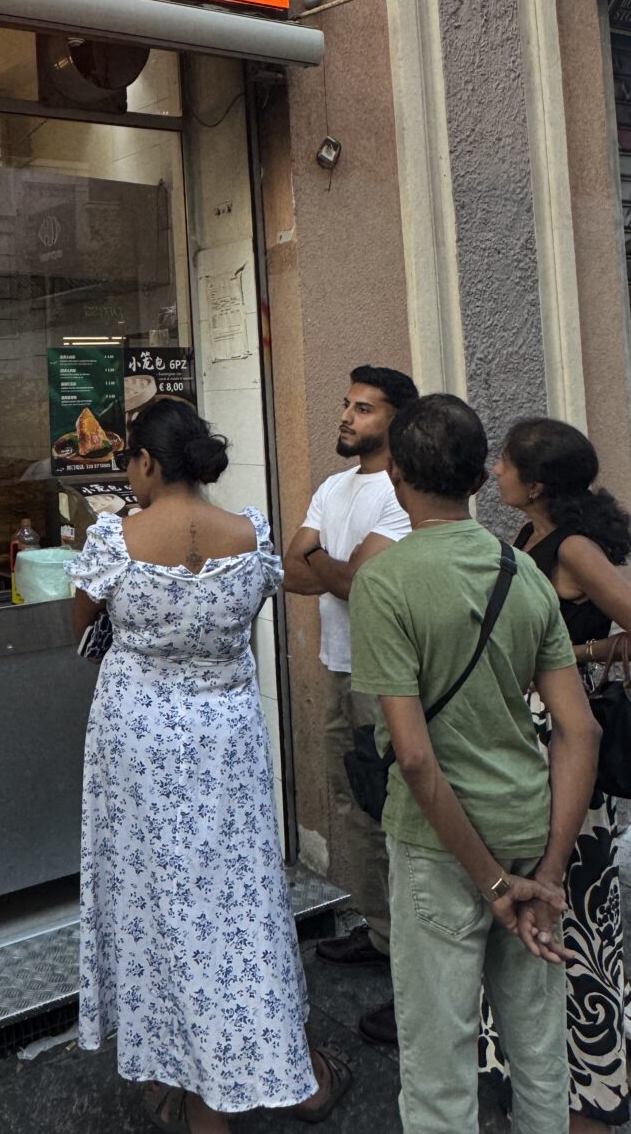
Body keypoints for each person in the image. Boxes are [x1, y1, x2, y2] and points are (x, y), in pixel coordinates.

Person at [69, 397, 352, 1132]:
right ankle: (282, 1072)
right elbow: (262, 599)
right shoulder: (250, 534)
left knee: (153, 903)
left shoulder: (113, 538)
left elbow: (80, 619)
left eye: (131, 459)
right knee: (240, 902)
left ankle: (191, 1087)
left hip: (138, 745)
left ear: (149, 462)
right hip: (225, 738)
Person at [350, 394, 600, 1134]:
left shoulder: (386, 580)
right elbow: (577, 730)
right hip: (531, 829)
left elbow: (417, 761)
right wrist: (547, 874)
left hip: (440, 850)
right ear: (476, 479)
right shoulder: (521, 571)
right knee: (540, 1053)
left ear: (396, 473)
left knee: (439, 1065)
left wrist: (493, 882)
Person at [479, 418, 631, 1132]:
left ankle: (589, 1097)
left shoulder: (570, 546)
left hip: (567, 749)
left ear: (534, 483)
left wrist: (583, 651)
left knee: (571, 909)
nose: (496, 470)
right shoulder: (532, 537)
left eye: (505, 462)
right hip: (531, 748)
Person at [282, 363, 418, 1043]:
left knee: (398, 812)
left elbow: (362, 584)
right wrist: (344, 573)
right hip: (337, 665)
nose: (346, 417)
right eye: (346, 404)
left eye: (363, 409)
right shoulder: (335, 487)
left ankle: (419, 974)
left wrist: (332, 572)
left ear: (396, 421)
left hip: (384, 676)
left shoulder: (401, 493)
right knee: (352, 805)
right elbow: (289, 567)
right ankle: (383, 933)